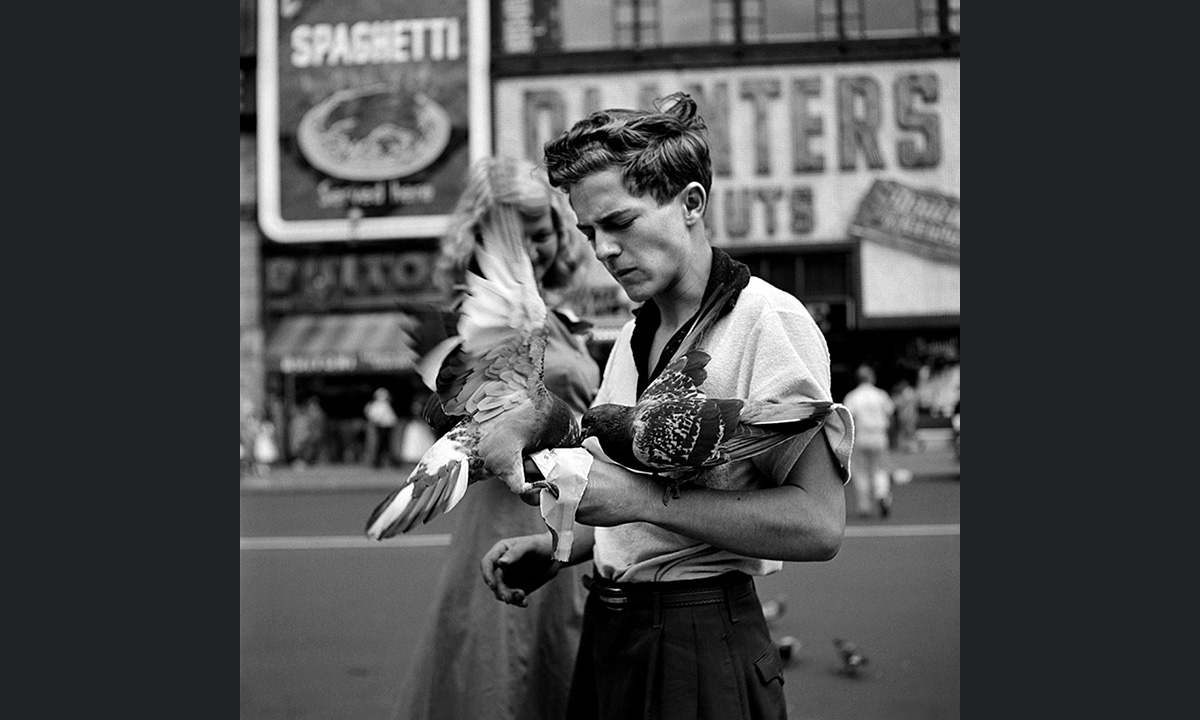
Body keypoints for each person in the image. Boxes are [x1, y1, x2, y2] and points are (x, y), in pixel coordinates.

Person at [480, 93, 854, 720]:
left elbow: (820, 525)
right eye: (589, 231)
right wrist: (564, 548)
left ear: (690, 204)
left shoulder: (769, 321)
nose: (602, 249)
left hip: (700, 639)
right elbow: (633, 511)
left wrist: (635, 501)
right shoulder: (634, 333)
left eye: (620, 223)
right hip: (612, 630)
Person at [390, 156, 602, 720]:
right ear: (480, 240)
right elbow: (448, 408)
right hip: (508, 517)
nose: (533, 251)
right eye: (514, 237)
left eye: (542, 234)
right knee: (502, 678)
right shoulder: (479, 319)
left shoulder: (565, 320)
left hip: (579, 520)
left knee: (562, 668)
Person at [843, 365, 895, 518]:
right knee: (880, 468)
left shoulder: (852, 396)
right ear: (872, 377)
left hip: (861, 435)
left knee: (861, 471)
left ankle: (864, 506)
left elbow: (848, 419)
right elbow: (890, 415)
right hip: (879, 435)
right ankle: (882, 493)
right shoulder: (881, 395)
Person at [364, 387, 400, 468]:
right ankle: (377, 462)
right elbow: (373, 416)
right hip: (380, 427)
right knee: (380, 445)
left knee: (388, 445)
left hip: (388, 428)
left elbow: (391, 418)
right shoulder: (377, 405)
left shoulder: (385, 405)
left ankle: (388, 461)